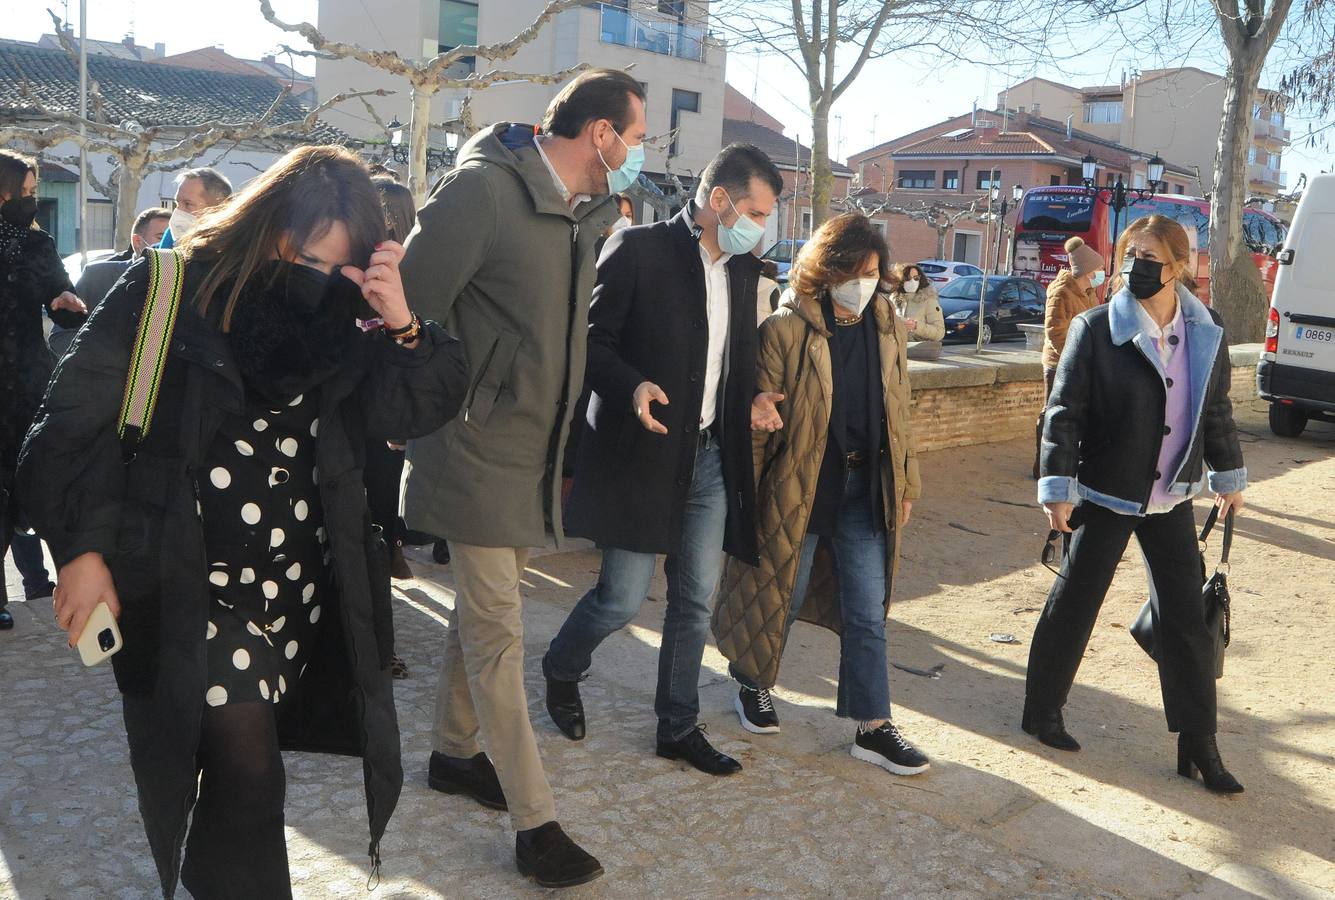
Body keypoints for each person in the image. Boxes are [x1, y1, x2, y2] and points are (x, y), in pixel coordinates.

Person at [19, 145, 469, 897]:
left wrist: (404, 326)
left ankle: (213, 875)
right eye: (305, 255)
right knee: (251, 773)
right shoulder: (168, 287)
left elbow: (412, 411)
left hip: (297, 589)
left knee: (238, 778)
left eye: (338, 265)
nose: (317, 278)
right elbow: (66, 428)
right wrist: (80, 550)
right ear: (269, 226)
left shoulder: (347, 320)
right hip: (187, 581)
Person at [399, 67, 646, 889]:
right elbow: (407, 308)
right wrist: (459, 396)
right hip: (471, 447)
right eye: (637, 138)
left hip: (532, 452)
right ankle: (535, 825)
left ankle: (451, 752)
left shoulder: (585, 213)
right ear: (600, 134)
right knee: (500, 632)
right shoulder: (483, 192)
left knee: (484, 611)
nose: (639, 155)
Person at [544, 143, 784, 777]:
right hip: (642, 453)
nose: (762, 226)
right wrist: (632, 386)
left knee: (695, 600)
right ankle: (561, 667)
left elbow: (731, 356)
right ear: (720, 200)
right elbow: (590, 344)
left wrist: (754, 395)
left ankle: (677, 725)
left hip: (709, 458)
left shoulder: (740, 269)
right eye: (757, 210)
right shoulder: (639, 250)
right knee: (621, 600)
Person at [1028, 214, 1247, 794]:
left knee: (1189, 624)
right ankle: (1042, 710)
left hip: (1171, 494)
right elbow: (1063, 412)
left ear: (1180, 268)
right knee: (1076, 600)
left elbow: (1215, 409)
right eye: (1131, 254)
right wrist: (1057, 488)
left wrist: (1228, 475)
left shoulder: (1207, 329)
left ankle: (1199, 743)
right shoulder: (1098, 328)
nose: (1136, 267)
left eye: (1151, 257)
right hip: (1106, 491)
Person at [712, 213, 930, 777]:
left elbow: (900, 414)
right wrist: (747, 497)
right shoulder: (785, 331)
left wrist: (905, 482)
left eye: (873, 273)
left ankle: (872, 727)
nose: (864, 284)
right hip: (799, 487)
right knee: (779, 591)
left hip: (866, 489)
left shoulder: (886, 326)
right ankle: (752, 683)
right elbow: (762, 424)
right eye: (853, 273)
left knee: (868, 610)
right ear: (825, 272)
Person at [0, 150, 87, 632]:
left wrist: (66, 303)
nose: (32, 202)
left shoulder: (38, 245)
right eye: (26, 192)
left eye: (34, 193)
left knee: (43, 483)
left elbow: (62, 299)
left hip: (27, 381)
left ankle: (72, 585)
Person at [363, 177, 418, 584]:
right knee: (384, 483)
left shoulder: (381, 262)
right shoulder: (419, 258)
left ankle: (386, 554)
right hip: (396, 393)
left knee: (375, 483)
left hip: (373, 390)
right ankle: (391, 549)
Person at [51, 207, 172, 356]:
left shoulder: (181, 285)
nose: (169, 245)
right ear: (137, 241)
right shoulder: (98, 276)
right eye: (161, 237)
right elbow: (61, 336)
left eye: (173, 239)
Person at [1033, 236, 1104, 478]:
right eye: (1098, 270)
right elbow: (1055, 331)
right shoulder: (1061, 291)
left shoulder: (1088, 291)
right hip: (1057, 363)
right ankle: (1042, 463)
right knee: (1051, 412)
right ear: (1087, 270)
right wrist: (1073, 358)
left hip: (1080, 363)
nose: (1101, 273)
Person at [159, 167, 233, 249]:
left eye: (188, 204)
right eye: (177, 203)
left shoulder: (237, 256)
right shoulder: (157, 256)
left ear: (217, 210)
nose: (178, 211)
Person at [888, 262, 945, 360]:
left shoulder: (929, 300)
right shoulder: (893, 299)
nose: (913, 282)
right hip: (896, 353)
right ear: (901, 280)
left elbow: (939, 332)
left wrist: (916, 326)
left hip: (919, 353)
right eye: (908, 278)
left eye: (916, 278)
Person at [755, 258, 781, 327]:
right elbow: (776, 310)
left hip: (749, 321)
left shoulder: (751, 283)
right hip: (766, 325)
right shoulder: (773, 286)